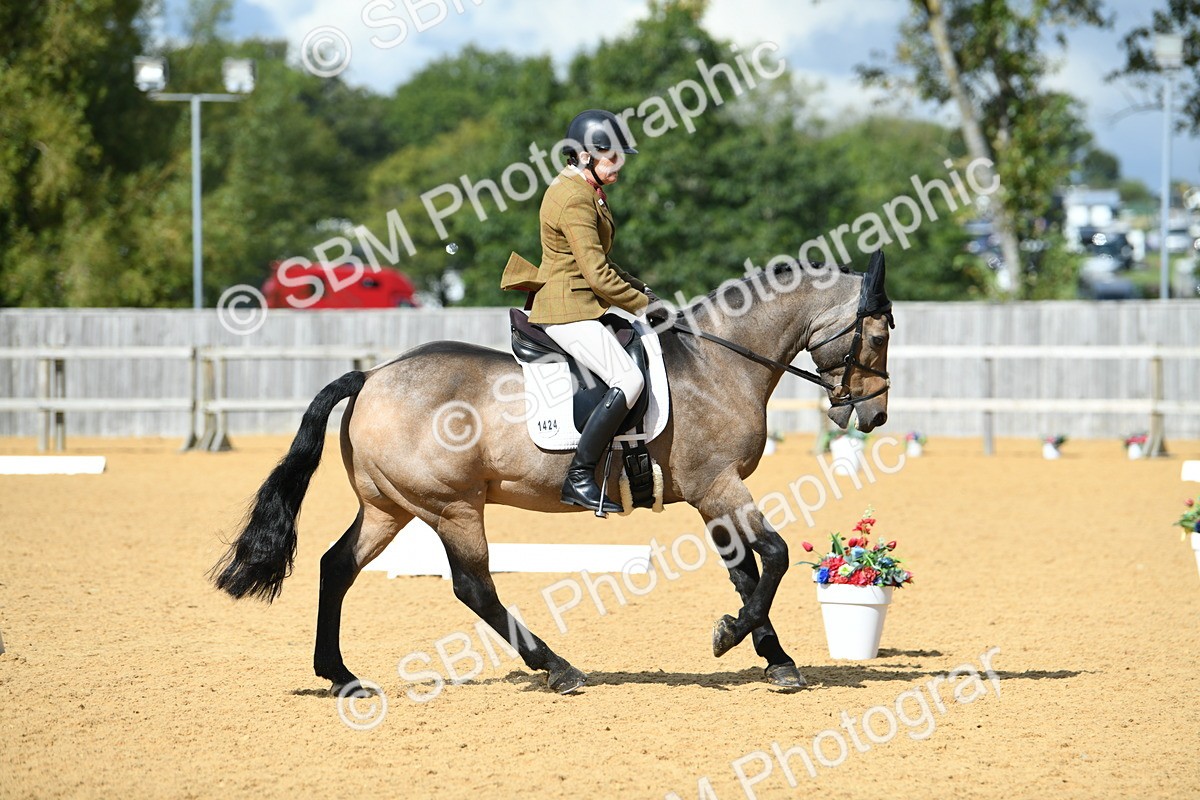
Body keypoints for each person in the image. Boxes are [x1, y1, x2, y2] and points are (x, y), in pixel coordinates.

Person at [501, 109, 659, 514]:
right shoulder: (574, 197)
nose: (620, 163)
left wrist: (644, 291)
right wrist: (645, 307)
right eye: (613, 157)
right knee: (628, 378)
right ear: (587, 155)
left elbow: (602, 261)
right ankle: (579, 476)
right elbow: (598, 275)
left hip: (579, 300)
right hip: (566, 309)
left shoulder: (585, 189)